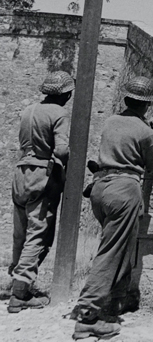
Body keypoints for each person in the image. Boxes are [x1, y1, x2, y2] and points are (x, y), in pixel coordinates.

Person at [73, 76, 153, 340]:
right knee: (112, 251)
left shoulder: (112, 121)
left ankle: (116, 300)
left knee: (120, 246)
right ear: (147, 106)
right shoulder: (146, 132)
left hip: (100, 189)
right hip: (124, 190)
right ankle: (88, 315)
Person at [8, 71, 74, 313]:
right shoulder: (60, 114)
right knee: (38, 233)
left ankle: (16, 277)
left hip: (20, 173)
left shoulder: (29, 111)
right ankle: (20, 293)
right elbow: (62, 150)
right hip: (41, 177)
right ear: (66, 94)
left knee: (20, 232)